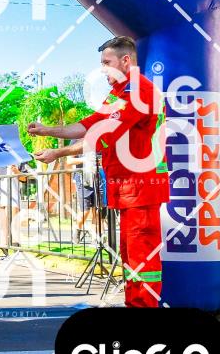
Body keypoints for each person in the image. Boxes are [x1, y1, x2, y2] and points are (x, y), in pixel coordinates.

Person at [28, 36, 168, 308]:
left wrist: (58, 151)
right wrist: (49, 133)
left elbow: (100, 133)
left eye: (106, 63)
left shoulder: (138, 91)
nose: (102, 70)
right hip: (130, 187)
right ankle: (135, 305)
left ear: (125, 61)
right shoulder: (121, 92)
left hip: (141, 186)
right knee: (132, 256)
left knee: (142, 258)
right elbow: (91, 124)